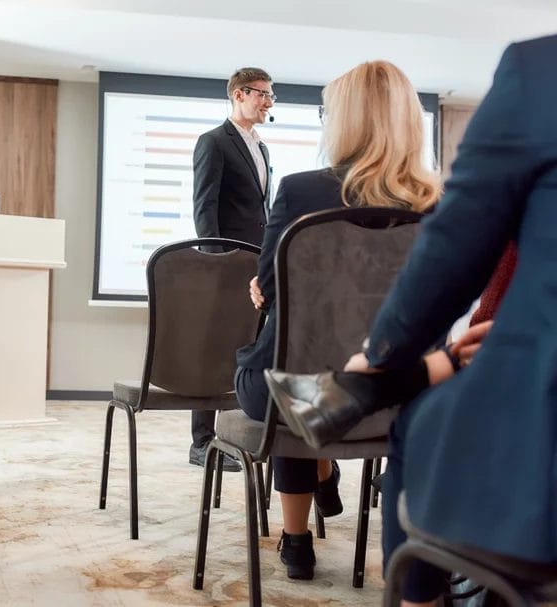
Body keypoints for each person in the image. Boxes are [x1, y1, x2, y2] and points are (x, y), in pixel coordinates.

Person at [265, 35, 557, 607]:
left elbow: (450, 261)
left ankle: (400, 585)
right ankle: (358, 395)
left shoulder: (538, 70)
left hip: (296, 380)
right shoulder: (431, 199)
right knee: (417, 396)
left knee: (414, 423)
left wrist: (374, 358)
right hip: (440, 359)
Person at [236, 60, 441, 580]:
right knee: (313, 361)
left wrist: (265, 291)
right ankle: (334, 486)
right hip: (400, 394)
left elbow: (273, 289)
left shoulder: (302, 191)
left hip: (298, 389)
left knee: (294, 362)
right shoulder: (438, 202)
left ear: (344, 120)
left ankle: (298, 540)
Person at [190, 67, 275, 471]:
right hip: (226, 263)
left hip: (258, 262)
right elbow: (204, 207)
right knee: (217, 347)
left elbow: (262, 211)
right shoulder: (213, 142)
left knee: (251, 343)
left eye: (270, 96)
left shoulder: (261, 146)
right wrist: (216, 261)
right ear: (240, 94)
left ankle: (244, 430)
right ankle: (202, 442)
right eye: (263, 94)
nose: (268, 102)